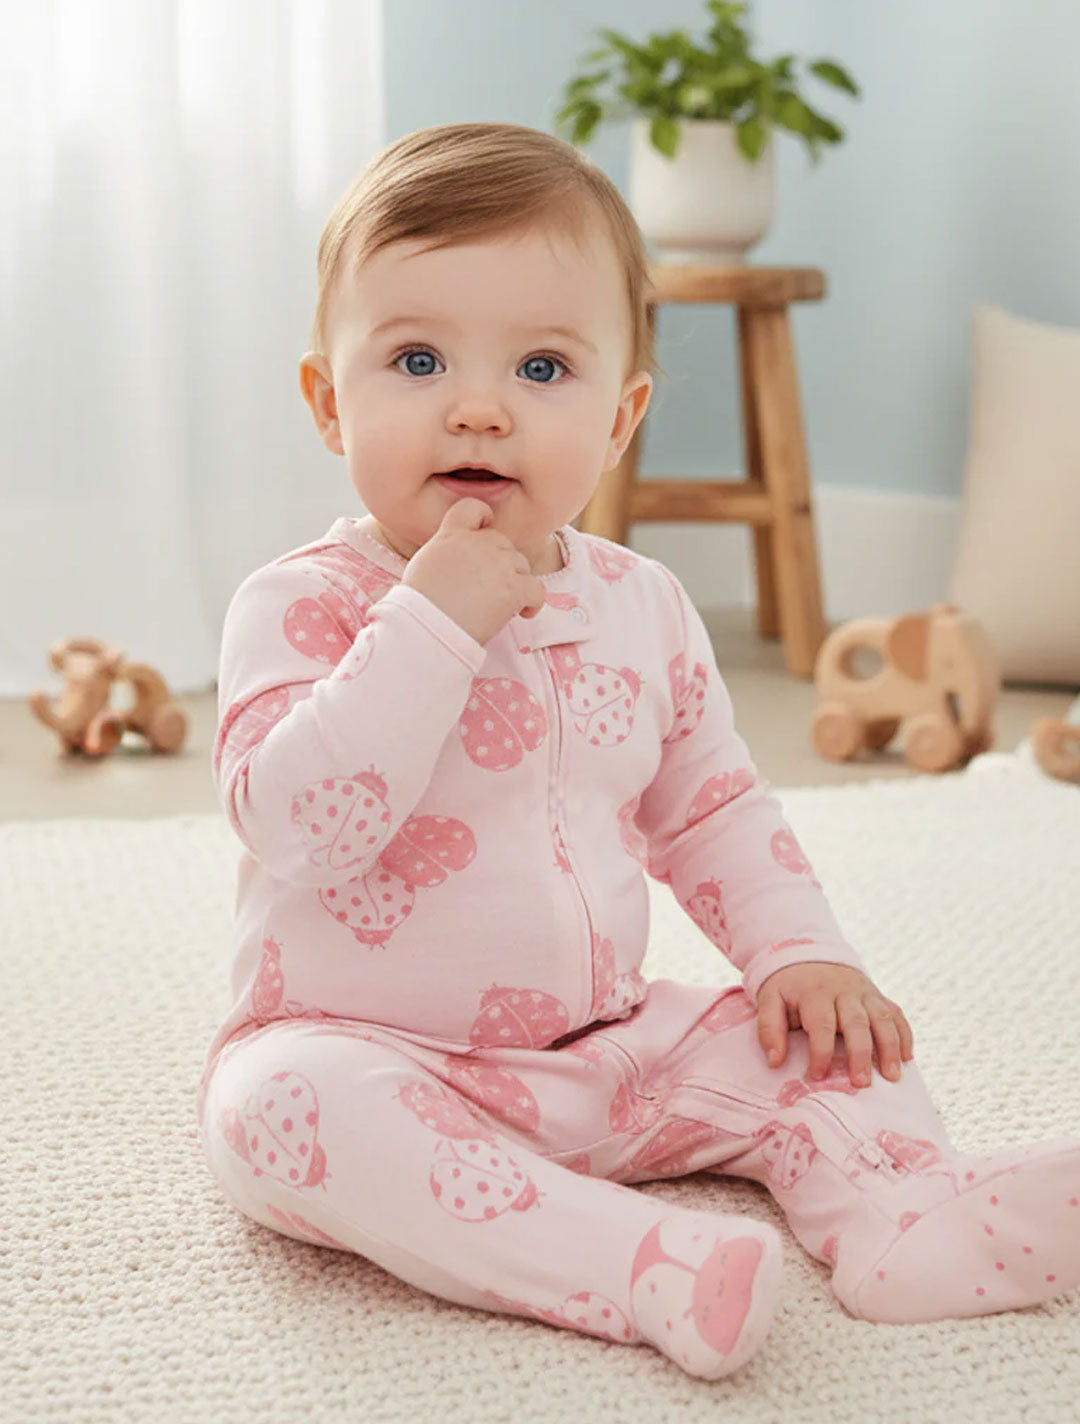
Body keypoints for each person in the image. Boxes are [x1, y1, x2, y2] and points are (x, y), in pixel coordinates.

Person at [196, 121, 1080, 1381]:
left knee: (812, 1045)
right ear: (330, 398)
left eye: (545, 367)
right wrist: (431, 621)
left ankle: (905, 1213)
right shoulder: (303, 606)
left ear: (620, 418)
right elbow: (298, 825)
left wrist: (802, 951)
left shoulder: (641, 605)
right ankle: (630, 1261)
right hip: (370, 1048)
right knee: (270, 1118)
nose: (481, 404)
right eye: (418, 357)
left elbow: (713, 809)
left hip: (601, 1048)